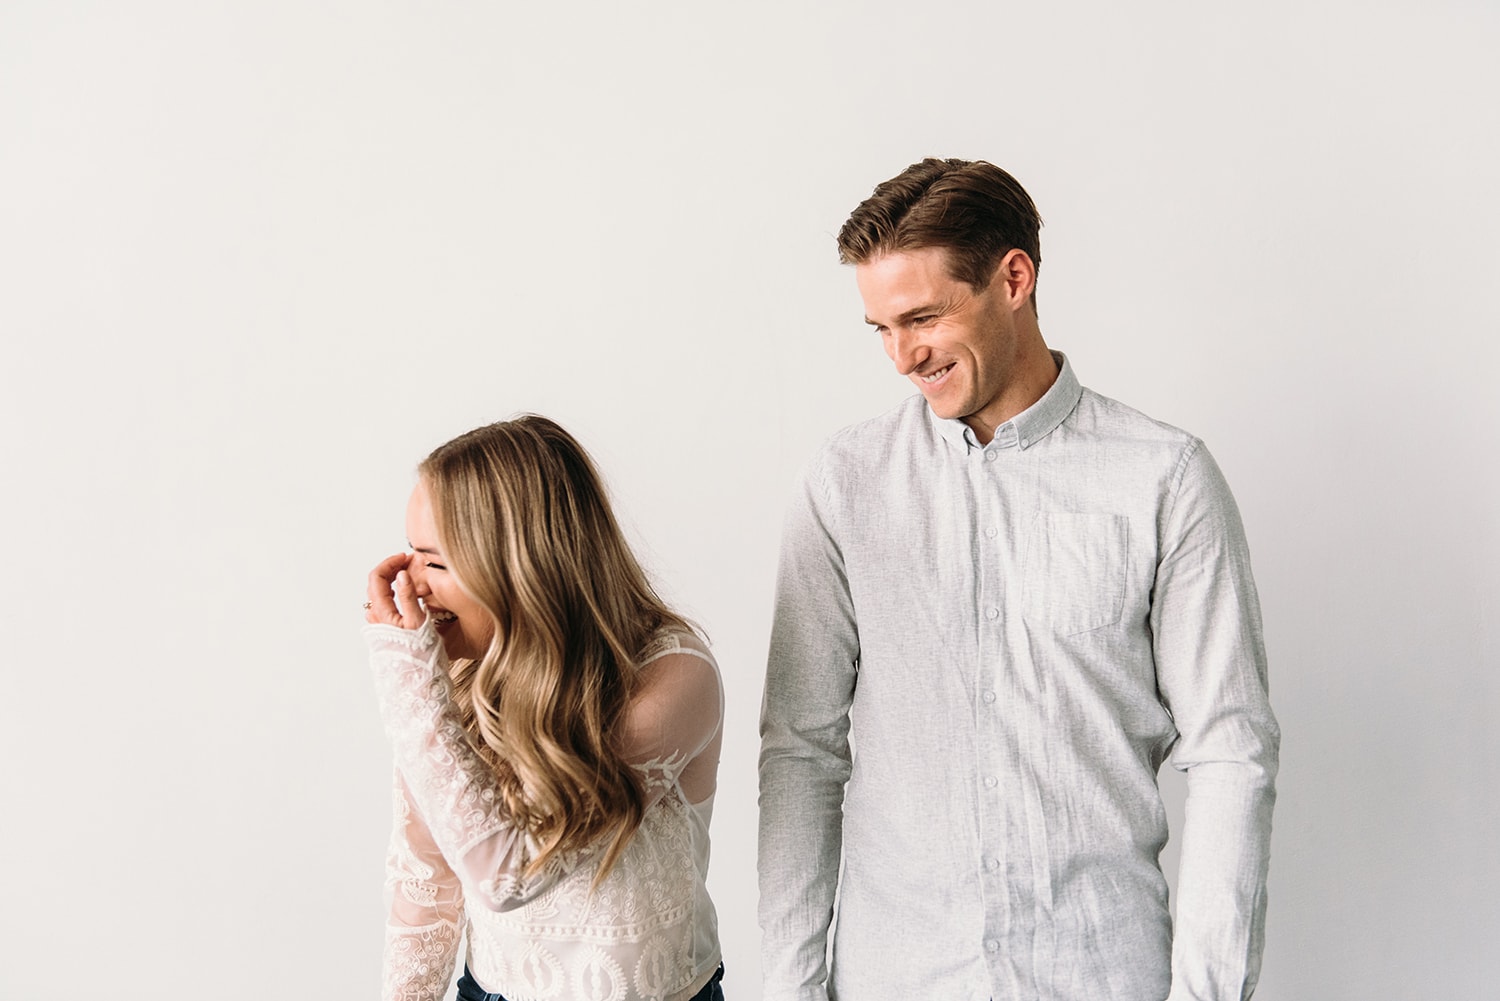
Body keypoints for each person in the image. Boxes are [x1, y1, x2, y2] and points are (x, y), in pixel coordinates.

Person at [758, 158, 1279, 1001]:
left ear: (1014, 278)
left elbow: (1232, 750)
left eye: (922, 317)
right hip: (898, 976)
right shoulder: (844, 483)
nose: (902, 357)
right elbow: (800, 751)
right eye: (882, 328)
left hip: (1100, 973)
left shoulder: (1163, 477)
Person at [364, 415, 726, 1001]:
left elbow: (506, 873)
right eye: (411, 554)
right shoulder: (449, 685)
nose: (413, 583)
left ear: (521, 564)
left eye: (435, 561)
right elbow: (426, 880)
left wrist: (404, 678)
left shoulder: (672, 675)